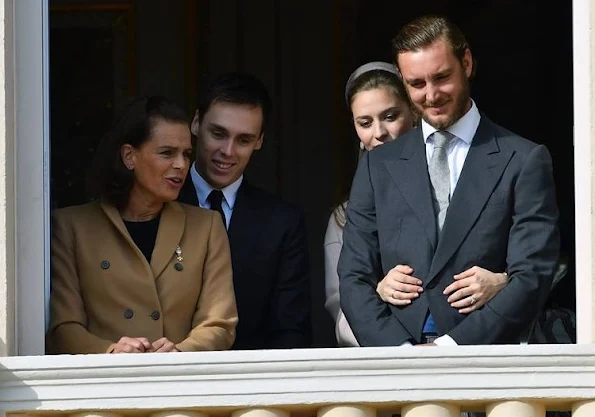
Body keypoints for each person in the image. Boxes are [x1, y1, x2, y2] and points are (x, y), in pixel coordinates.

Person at [338, 15, 560, 347]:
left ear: (466, 63)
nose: (431, 95)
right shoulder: (377, 164)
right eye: (416, 84)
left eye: (441, 77)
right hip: (396, 360)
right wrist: (399, 352)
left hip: (486, 355)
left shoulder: (523, 159)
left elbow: (532, 274)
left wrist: (450, 348)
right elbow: (354, 277)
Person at [325, 62, 508, 347]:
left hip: (473, 343)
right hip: (387, 357)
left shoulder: (463, 166)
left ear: (413, 111)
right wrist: (378, 293)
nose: (379, 132)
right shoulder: (344, 216)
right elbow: (345, 301)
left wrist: (502, 281)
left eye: (390, 116)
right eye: (365, 122)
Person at [47, 96, 238, 354]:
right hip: (103, 387)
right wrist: (111, 352)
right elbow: (63, 328)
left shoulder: (207, 227)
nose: (181, 165)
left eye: (186, 154)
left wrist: (181, 353)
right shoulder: (71, 227)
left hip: (180, 385)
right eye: (167, 153)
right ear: (129, 156)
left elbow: (219, 324)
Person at [178, 72, 311, 349]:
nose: (228, 151)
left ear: (259, 141)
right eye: (218, 133)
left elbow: (290, 330)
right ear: (195, 123)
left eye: (244, 140)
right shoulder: (157, 202)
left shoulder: (283, 223)